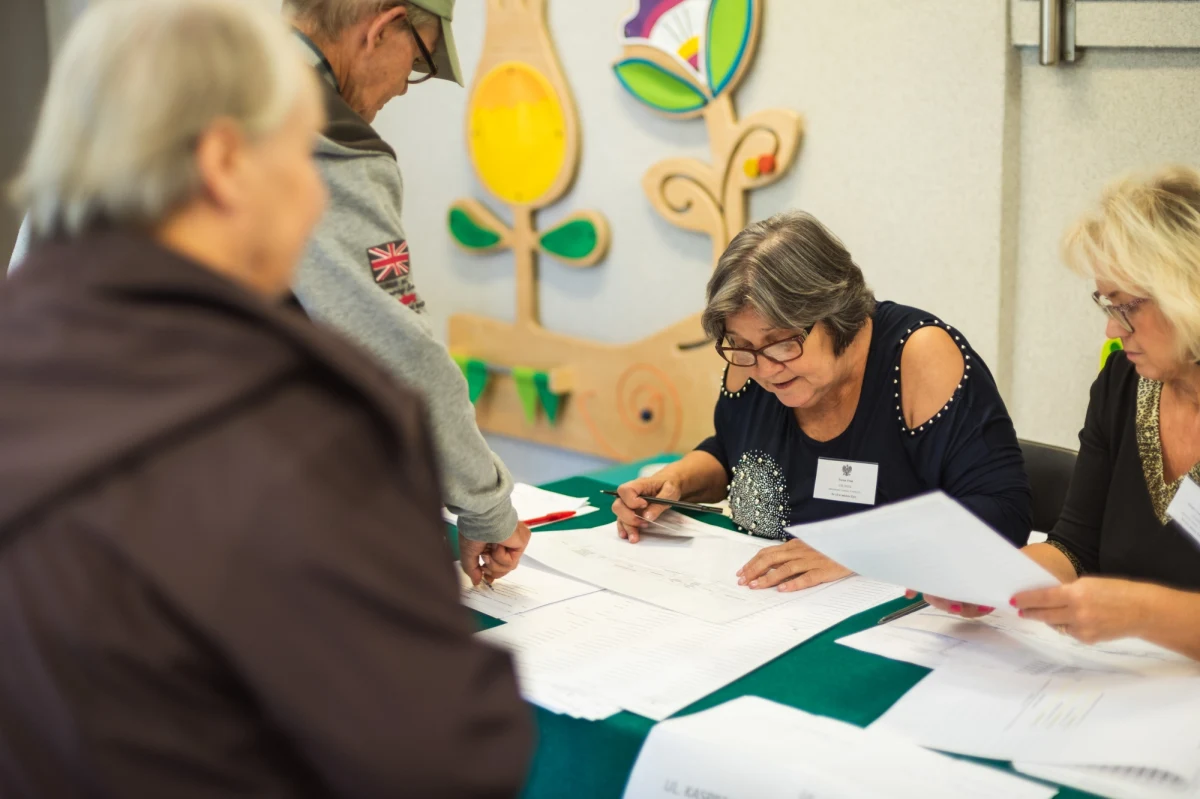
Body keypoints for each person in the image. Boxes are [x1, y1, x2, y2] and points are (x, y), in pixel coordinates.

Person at [0, 1, 531, 796]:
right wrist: (479, 506)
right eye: (295, 168)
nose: (313, 205)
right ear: (223, 164)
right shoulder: (292, 439)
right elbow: (446, 747)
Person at [612, 211, 1031, 593]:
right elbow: (733, 451)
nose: (766, 369)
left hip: (894, 614)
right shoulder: (751, 360)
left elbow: (1003, 513)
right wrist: (677, 482)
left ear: (837, 312)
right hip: (760, 605)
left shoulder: (918, 357)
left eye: (781, 343)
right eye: (740, 345)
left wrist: (856, 549)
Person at [283, 0, 530, 586]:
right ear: (383, 27)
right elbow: (397, 352)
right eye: (419, 61)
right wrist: (486, 505)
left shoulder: (179, 91)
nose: (403, 87)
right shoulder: (322, 139)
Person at [923, 166, 1200, 660]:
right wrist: (992, 581)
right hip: (1126, 676)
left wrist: (1143, 612)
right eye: (1106, 306)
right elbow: (1075, 546)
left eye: (1127, 307)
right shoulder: (1122, 383)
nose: (1112, 330)